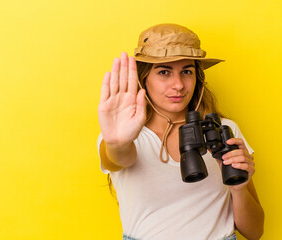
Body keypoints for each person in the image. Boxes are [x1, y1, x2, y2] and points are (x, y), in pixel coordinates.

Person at [97, 23, 264, 240]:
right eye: (164, 72)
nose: (178, 85)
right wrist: (117, 144)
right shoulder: (120, 135)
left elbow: (255, 232)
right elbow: (118, 157)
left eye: (186, 72)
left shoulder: (225, 130)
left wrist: (239, 189)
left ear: (198, 78)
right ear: (143, 78)